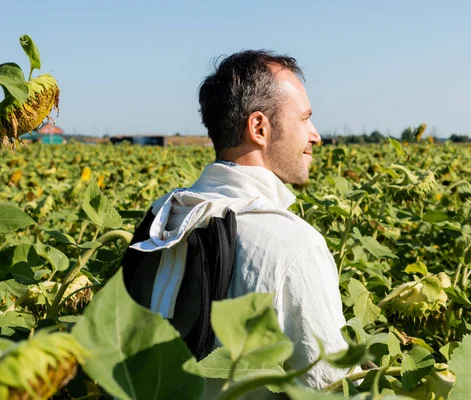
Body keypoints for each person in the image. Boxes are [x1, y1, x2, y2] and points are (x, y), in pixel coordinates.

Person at [133, 50, 357, 397]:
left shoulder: (161, 218)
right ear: (258, 127)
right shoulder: (292, 245)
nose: (315, 135)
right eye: (304, 119)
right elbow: (330, 384)